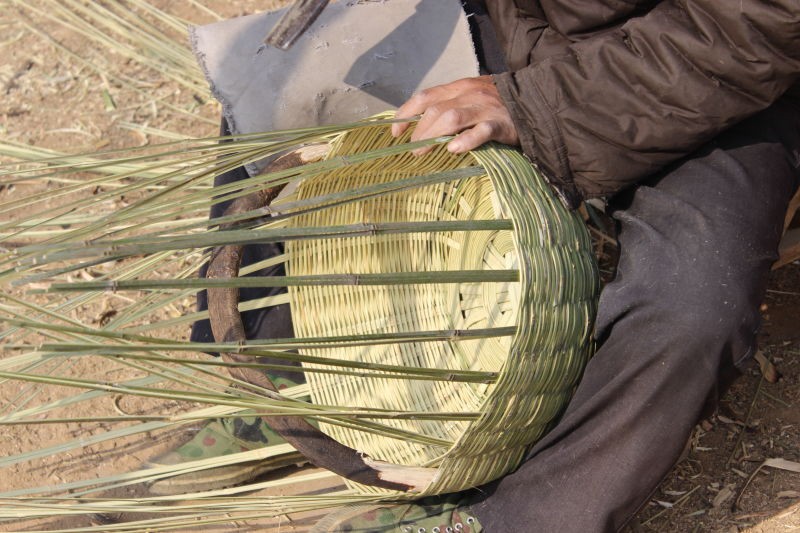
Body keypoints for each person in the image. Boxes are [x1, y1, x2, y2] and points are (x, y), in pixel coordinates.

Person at [153, 1, 800, 531]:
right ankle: (258, 398)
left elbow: (756, 24)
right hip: (509, 19)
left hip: (707, 73)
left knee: (692, 304)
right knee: (282, 82)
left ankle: (513, 518)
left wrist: (537, 107)